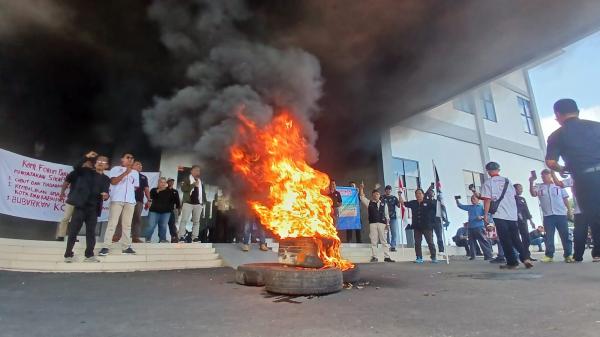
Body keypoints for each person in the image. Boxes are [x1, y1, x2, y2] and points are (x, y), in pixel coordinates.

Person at [545, 98, 600, 262]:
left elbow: (551, 162)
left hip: (584, 179)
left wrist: (562, 169)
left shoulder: (557, 135)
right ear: (578, 111)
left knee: (595, 217)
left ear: (557, 115)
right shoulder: (596, 126)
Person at [481, 161, 533, 269]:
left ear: (488, 171)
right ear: (498, 170)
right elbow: (513, 196)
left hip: (499, 214)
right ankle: (525, 258)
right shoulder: (508, 182)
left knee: (505, 239)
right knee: (516, 238)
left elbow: (487, 200)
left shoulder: (488, 183)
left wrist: (485, 215)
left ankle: (512, 262)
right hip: (512, 215)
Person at [63, 152, 110, 263]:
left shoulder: (106, 179)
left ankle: (89, 255)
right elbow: (76, 167)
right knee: (73, 231)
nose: (100, 163)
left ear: (107, 166)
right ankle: (68, 254)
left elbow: (106, 193)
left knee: (91, 232)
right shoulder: (86, 172)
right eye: (98, 161)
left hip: (93, 209)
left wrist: (106, 196)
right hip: (80, 206)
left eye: (103, 162)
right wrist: (86, 157)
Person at [99, 153, 139, 256]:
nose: (130, 159)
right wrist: (126, 173)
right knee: (112, 223)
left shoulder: (135, 172)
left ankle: (126, 247)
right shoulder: (116, 169)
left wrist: (130, 172)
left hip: (130, 201)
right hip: (117, 200)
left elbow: (135, 187)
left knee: (127, 225)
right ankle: (105, 246)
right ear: (122, 159)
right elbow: (113, 182)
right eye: (128, 157)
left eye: (132, 158)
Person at [529, 169, 573, 263]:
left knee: (565, 235)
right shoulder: (539, 186)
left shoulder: (559, 186)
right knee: (549, 236)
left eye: (546, 175)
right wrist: (531, 181)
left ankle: (568, 254)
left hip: (560, 214)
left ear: (550, 176)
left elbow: (565, 199)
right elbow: (533, 194)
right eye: (542, 176)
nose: (544, 177)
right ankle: (549, 255)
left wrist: (569, 211)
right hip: (548, 216)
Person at [112, 161, 150, 243]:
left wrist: (149, 199)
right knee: (121, 217)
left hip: (138, 200)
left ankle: (135, 237)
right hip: (125, 200)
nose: (140, 166)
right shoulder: (127, 173)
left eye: (141, 165)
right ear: (132, 166)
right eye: (137, 164)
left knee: (137, 218)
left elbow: (146, 189)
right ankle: (117, 235)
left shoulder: (143, 177)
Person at [554, 176, 590, 262]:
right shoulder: (572, 178)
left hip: (594, 209)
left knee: (597, 232)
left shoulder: (593, 175)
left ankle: (597, 254)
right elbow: (558, 183)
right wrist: (552, 171)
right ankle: (577, 256)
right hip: (579, 211)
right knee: (578, 235)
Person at [400, 188, 438, 264]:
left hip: (427, 226)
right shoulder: (413, 203)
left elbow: (436, 207)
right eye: (417, 193)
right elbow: (403, 203)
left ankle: (433, 257)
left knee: (430, 242)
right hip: (417, 226)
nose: (418, 195)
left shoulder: (428, 202)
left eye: (420, 193)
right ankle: (419, 257)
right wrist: (400, 195)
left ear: (423, 195)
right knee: (417, 243)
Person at [359, 183, 394, 263]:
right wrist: (361, 188)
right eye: (374, 194)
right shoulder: (369, 203)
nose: (376, 195)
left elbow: (387, 215)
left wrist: (387, 224)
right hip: (373, 224)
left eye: (377, 194)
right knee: (374, 241)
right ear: (372, 195)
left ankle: (387, 257)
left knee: (384, 241)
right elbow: (362, 197)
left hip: (382, 224)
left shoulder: (383, 203)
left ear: (379, 195)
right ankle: (374, 257)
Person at [455, 195, 493, 260]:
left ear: (478, 200)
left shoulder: (481, 207)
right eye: (471, 199)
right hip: (470, 227)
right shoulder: (470, 207)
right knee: (471, 242)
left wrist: (482, 217)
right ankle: (473, 256)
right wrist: (457, 200)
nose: (472, 200)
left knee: (483, 241)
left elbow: (488, 215)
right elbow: (460, 206)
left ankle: (488, 256)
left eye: (474, 198)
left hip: (479, 227)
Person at [144, 177, 180, 243]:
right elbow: (151, 196)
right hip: (154, 211)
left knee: (163, 226)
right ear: (158, 183)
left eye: (164, 182)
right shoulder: (153, 190)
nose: (163, 184)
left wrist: (172, 208)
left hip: (166, 212)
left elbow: (175, 201)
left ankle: (162, 239)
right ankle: (148, 239)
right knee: (151, 226)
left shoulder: (170, 191)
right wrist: (159, 190)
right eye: (161, 182)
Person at [178, 165, 207, 242]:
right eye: (196, 170)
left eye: (199, 171)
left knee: (196, 222)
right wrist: (193, 184)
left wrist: (203, 201)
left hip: (198, 204)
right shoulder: (187, 179)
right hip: (188, 203)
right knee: (184, 220)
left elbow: (203, 192)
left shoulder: (200, 181)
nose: (198, 172)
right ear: (191, 171)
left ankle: (195, 237)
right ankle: (181, 236)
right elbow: (184, 189)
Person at [514, 183, 537, 261]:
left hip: (523, 221)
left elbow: (526, 210)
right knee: (516, 238)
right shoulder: (511, 199)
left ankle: (527, 255)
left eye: (521, 188)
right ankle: (519, 255)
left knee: (526, 238)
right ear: (515, 189)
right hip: (515, 221)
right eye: (519, 188)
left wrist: (531, 221)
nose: (521, 190)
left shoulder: (522, 199)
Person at [425, 185, 445, 254]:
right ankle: (432, 250)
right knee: (430, 238)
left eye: (432, 192)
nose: (430, 193)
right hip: (429, 221)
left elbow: (442, 209)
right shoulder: (426, 201)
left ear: (434, 194)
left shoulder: (437, 201)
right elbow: (424, 195)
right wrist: (429, 188)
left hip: (437, 221)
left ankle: (441, 250)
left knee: (439, 236)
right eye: (429, 193)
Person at [381, 185, 401, 251]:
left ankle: (393, 246)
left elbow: (398, 206)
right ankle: (385, 245)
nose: (388, 190)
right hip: (384, 217)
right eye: (387, 189)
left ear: (391, 190)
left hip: (393, 217)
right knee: (384, 232)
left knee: (394, 232)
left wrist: (400, 197)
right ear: (385, 190)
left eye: (389, 189)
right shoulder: (382, 197)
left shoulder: (394, 198)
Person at [166, 178, 181, 243]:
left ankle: (174, 237)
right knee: (163, 224)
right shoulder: (164, 190)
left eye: (172, 181)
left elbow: (178, 201)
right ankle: (162, 238)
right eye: (170, 181)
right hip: (164, 209)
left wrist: (179, 209)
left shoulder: (175, 191)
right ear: (167, 182)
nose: (171, 182)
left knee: (172, 223)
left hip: (173, 209)